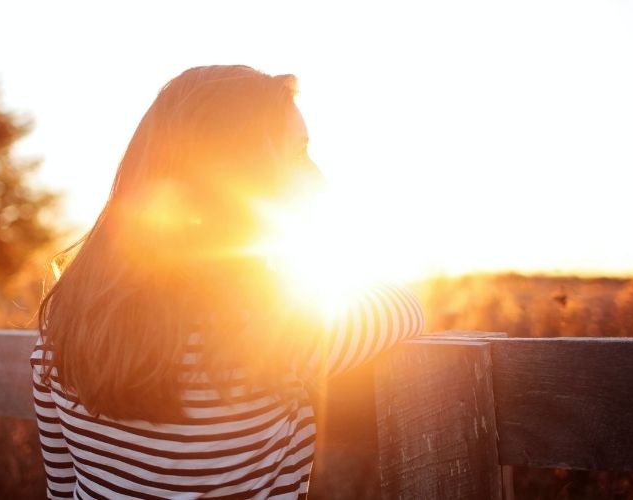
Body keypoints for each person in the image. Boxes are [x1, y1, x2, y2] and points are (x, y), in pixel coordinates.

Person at [31, 65, 425, 499]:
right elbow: (406, 308)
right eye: (297, 153)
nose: (318, 177)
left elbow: (62, 490)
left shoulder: (61, 324)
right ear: (238, 173)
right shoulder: (272, 326)